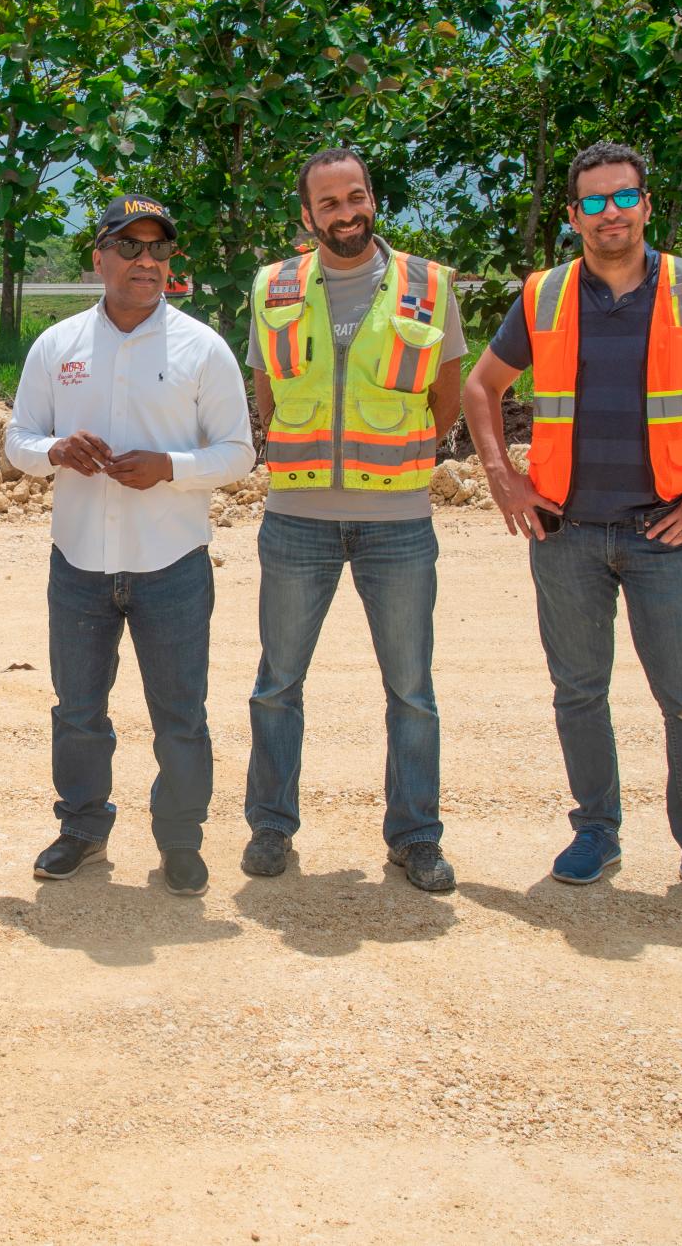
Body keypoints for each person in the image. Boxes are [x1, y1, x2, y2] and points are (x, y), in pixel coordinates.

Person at [461, 140, 682, 911]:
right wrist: (502, 479)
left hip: (663, 534)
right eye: (595, 202)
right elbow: (482, 387)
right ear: (574, 216)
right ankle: (596, 834)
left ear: (645, 203)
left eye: (624, 197)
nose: (611, 213)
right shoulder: (545, 295)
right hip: (565, 533)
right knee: (578, 693)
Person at [5, 195, 255, 896]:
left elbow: (238, 453)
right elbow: (17, 441)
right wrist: (55, 449)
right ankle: (82, 828)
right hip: (79, 561)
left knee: (180, 715)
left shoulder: (201, 348)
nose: (146, 261)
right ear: (99, 258)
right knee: (78, 712)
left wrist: (170, 467)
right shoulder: (57, 347)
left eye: (159, 250)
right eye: (130, 247)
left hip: (171, 564)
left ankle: (180, 839)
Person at [241, 148, 466, 892]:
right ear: (307, 216)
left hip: (397, 520)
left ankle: (415, 837)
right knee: (277, 684)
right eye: (330, 203)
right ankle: (271, 828)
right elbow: (266, 392)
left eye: (357, 196)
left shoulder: (429, 287)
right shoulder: (271, 287)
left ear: (374, 200)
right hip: (297, 517)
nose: (347, 212)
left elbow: (445, 398)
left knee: (411, 691)